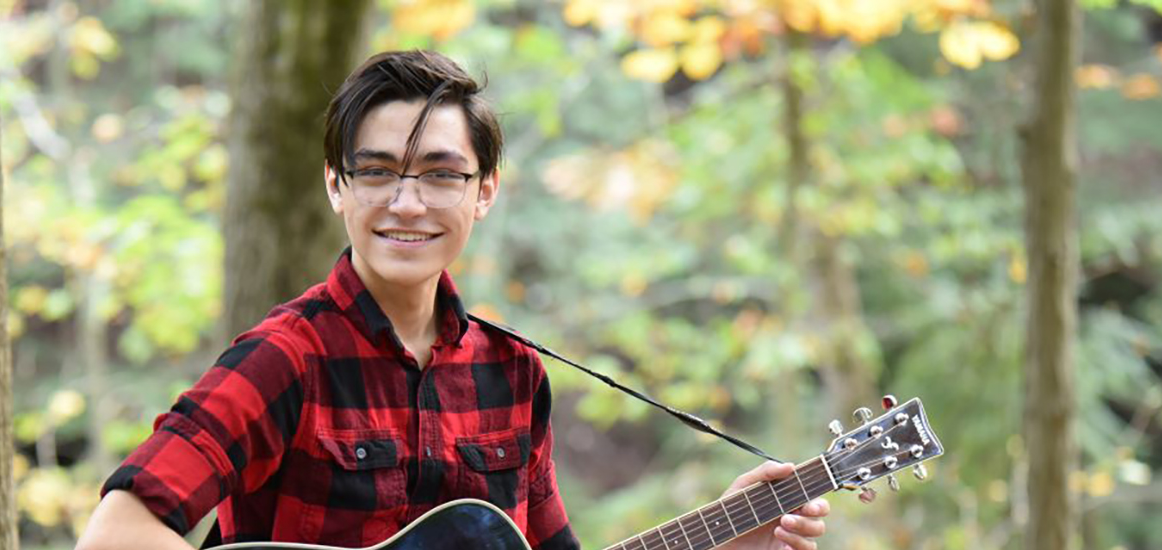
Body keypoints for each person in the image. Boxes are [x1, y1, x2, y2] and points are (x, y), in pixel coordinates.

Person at [76, 50, 830, 550]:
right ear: (337, 186)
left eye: (441, 174)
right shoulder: (285, 359)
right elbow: (120, 528)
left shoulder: (514, 373)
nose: (407, 203)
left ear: (486, 192)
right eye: (376, 173)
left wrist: (731, 534)